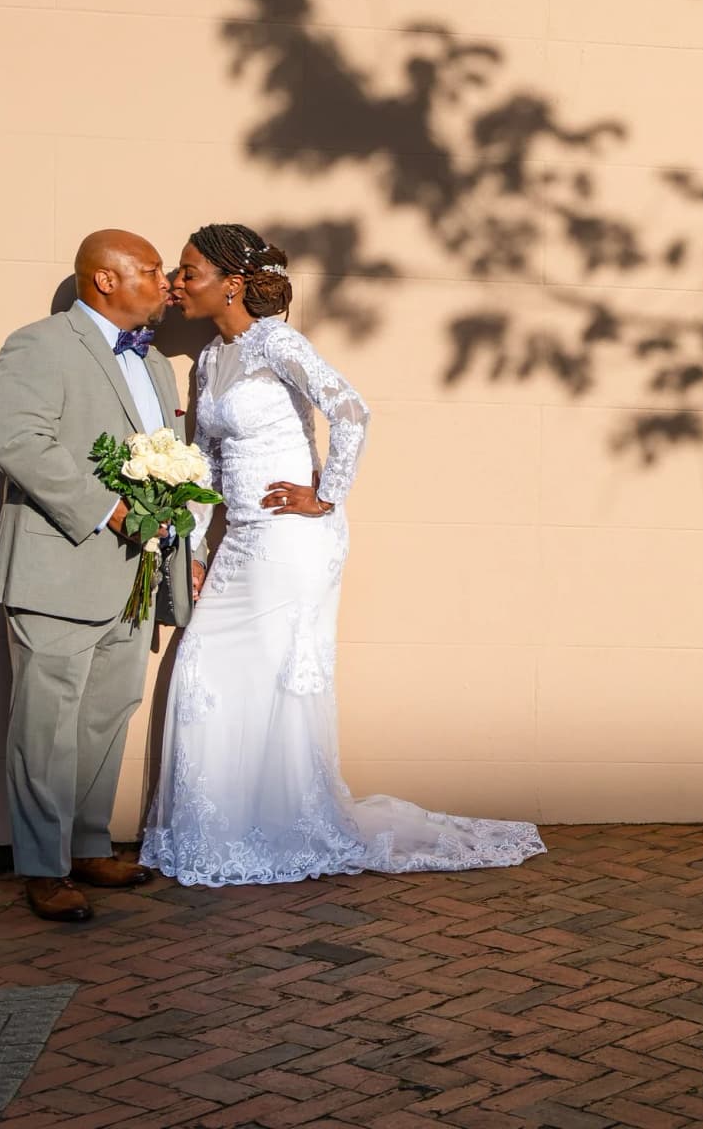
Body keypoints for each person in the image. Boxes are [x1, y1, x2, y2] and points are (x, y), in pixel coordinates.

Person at [140, 223, 546, 885]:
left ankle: (280, 832)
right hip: (240, 542)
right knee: (204, 675)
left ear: (231, 284)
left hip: (293, 542)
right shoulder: (213, 358)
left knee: (274, 683)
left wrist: (325, 495)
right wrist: (190, 540)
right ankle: (220, 835)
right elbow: (209, 462)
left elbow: (351, 412)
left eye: (189, 272)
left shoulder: (279, 343)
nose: (177, 284)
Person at [0, 229, 196, 922]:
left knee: (108, 713)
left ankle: (88, 844)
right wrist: (108, 510)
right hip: (56, 570)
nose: (165, 284)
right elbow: (18, 440)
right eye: (152, 271)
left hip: (137, 575)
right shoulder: (39, 345)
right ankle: (43, 868)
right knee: (46, 724)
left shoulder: (158, 364)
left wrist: (168, 527)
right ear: (105, 279)